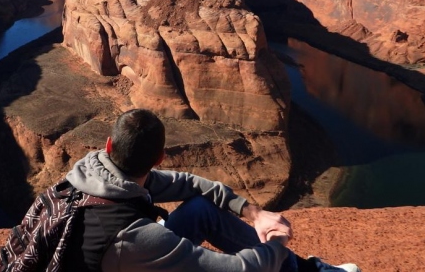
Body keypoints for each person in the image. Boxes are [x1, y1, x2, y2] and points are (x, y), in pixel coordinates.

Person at [63, 108, 361, 272]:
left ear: (108, 145)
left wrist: (254, 213)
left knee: (200, 208)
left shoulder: (87, 175)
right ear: (159, 158)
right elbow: (239, 269)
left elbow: (190, 184)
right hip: (125, 255)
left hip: (113, 260)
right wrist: (278, 244)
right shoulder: (138, 239)